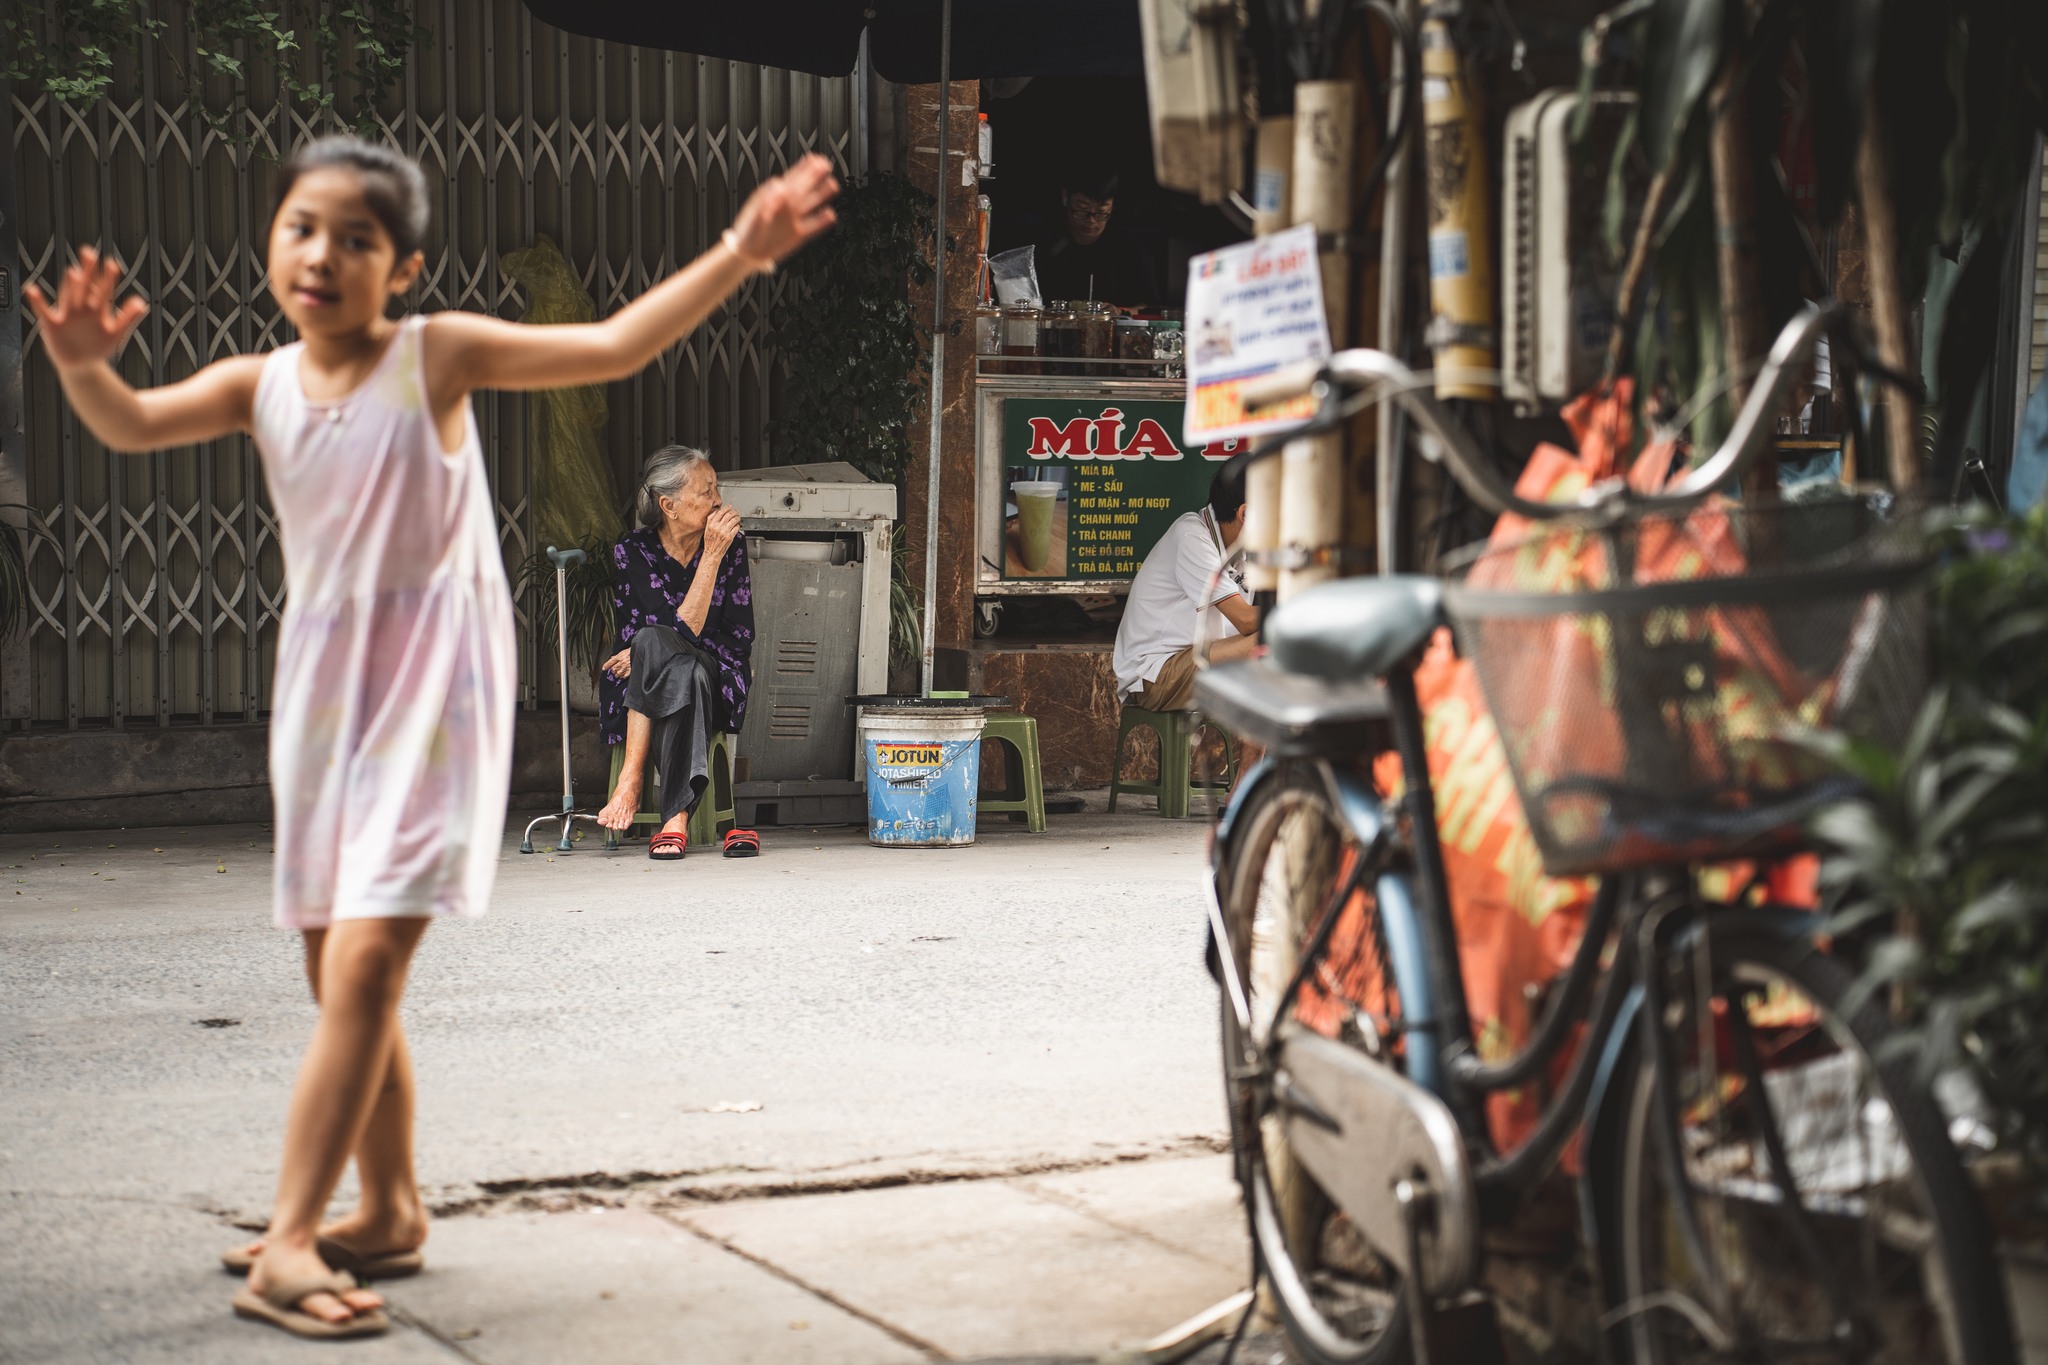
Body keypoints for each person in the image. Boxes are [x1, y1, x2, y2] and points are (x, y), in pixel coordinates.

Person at [25, 134, 836, 1340]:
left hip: (430, 705)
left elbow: (610, 345)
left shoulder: (432, 356)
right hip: (323, 705)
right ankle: (392, 1209)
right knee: (331, 971)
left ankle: (293, 1239)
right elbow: (133, 421)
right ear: (271, 245)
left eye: (356, 239)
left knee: (361, 969)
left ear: (400, 271)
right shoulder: (263, 385)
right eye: (302, 227)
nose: (322, 253)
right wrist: (82, 365)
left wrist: (738, 249)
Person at [596, 447, 754, 855]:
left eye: (717, 489)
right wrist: (660, 646)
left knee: (651, 643)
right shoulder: (633, 551)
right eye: (706, 492)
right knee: (681, 668)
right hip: (644, 687)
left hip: (719, 674)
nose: (718, 501)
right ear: (669, 505)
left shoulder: (730, 547)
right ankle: (676, 819)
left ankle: (630, 780)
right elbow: (679, 629)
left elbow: (737, 636)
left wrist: (715, 553)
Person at [1113, 459, 1259, 711]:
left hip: (1202, 661)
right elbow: (1246, 620)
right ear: (1245, 514)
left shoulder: (1246, 550)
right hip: (1155, 676)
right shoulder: (1191, 537)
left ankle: (1258, 753)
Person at [1034, 166, 1160, 310]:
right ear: (1065, 198)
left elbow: (1148, 305)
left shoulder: (1128, 245)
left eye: (1101, 212)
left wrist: (1120, 311)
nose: (1091, 220)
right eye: (1081, 209)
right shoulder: (1044, 243)